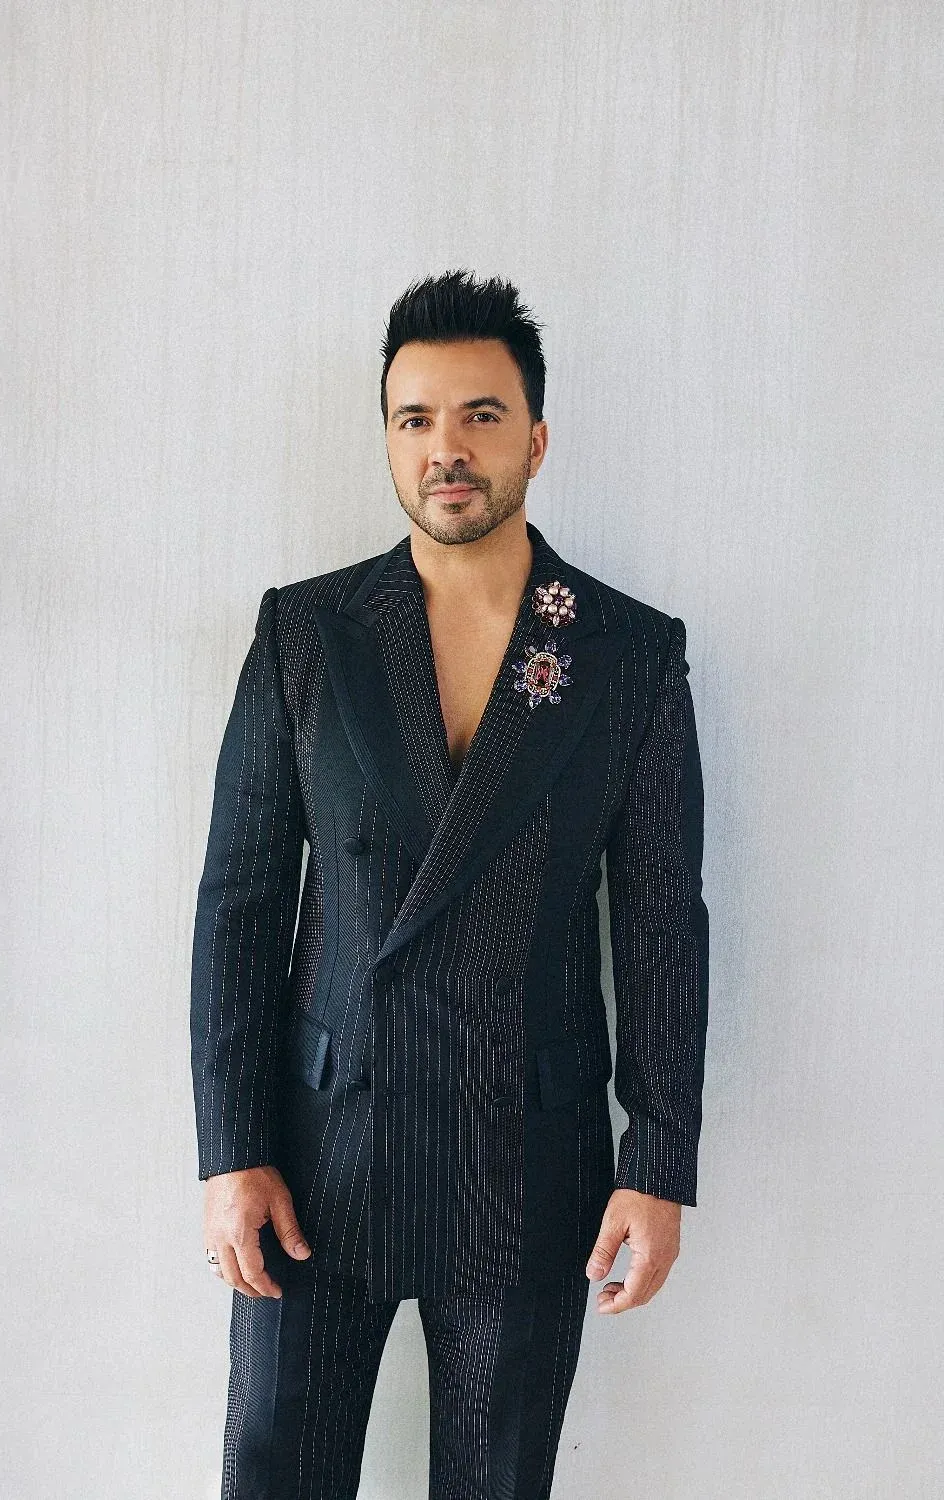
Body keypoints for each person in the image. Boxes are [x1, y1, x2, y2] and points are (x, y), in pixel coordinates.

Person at [190, 268, 709, 1499]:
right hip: (317, 1154)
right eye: (414, 419)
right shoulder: (307, 632)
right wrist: (232, 1150)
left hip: (523, 1156)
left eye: (480, 415)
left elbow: (658, 920)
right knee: (276, 1473)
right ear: (387, 439)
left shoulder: (624, 652)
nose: (447, 450)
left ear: (535, 437)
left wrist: (658, 1159)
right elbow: (239, 905)